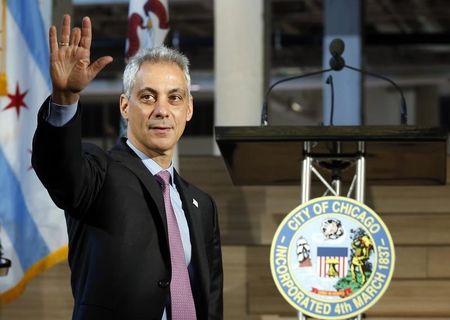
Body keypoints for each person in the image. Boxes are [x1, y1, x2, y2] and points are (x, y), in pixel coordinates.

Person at [32, 15, 223, 320]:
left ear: (188, 110)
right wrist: (65, 99)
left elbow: (210, 301)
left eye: (174, 98)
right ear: (125, 106)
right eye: (148, 97)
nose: (162, 110)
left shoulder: (203, 205)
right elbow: (59, 169)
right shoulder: (98, 172)